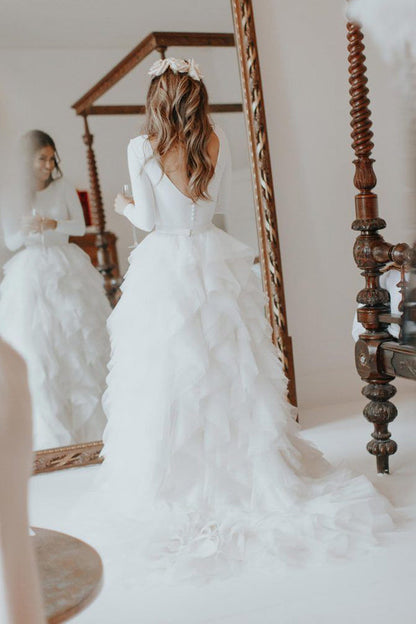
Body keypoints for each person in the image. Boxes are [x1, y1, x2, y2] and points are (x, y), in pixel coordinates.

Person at [98, 58, 394, 580]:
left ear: (157, 99)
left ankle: (178, 479)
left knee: (168, 373)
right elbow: (224, 208)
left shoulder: (140, 147)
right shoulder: (216, 140)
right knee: (227, 370)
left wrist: (123, 205)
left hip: (164, 265)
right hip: (212, 259)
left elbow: (146, 218)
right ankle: (243, 474)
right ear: (196, 95)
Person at [0, 130, 110, 450]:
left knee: (79, 344)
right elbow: (10, 242)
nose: (49, 165)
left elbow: (80, 227)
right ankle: (50, 436)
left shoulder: (63, 187)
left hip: (66, 267)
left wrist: (53, 225)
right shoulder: (11, 195)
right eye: (42, 159)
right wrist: (25, 229)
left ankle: (93, 433)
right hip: (30, 272)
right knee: (41, 347)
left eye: (52, 159)